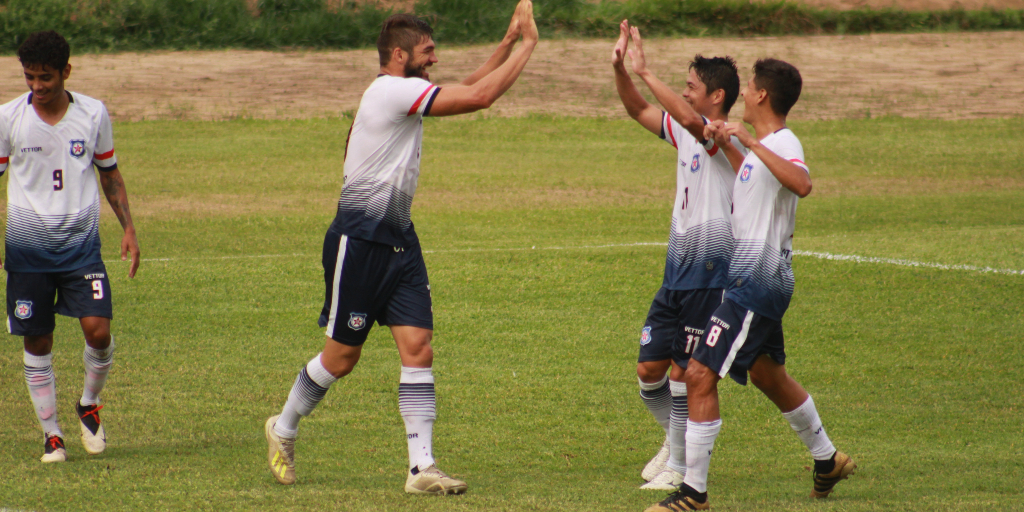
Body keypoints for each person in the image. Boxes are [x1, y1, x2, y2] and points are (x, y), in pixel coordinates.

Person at [264, 1, 539, 495]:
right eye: (427, 52)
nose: (434, 60)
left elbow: (466, 86)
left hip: (399, 240)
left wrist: (507, 41)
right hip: (360, 238)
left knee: (418, 347)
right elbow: (479, 98)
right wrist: (530, 46)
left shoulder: (402, 89)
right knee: (341, 358)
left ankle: (421, 468)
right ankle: (283, 426)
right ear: (398, 55)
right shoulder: (390, 90)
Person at [646, 59, 855, 512]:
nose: (743, 95)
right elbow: (756, 183)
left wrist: (749, 142)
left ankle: (693, 494)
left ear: (762, 96)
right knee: (767, 374)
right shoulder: (763, 147)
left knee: (700, 374)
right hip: (752, 279)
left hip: (756, 284)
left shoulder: (783, 141)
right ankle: (827, 460)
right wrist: (734, 147)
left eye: (750, 90)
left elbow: (801, 183)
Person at [613, 21, 745, 491]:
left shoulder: (721, 136)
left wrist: (646, 70)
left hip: (711, 276)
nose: (686, 93)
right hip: (676, 272)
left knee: (683, 372)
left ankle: (681, 466)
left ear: (717, 96)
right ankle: (678, 440)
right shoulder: (687, 133)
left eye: (691, 86)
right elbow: (637, 111)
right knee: (649, 370)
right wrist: (621, 70)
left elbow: (691, 122)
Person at [1, 30, 141, 463]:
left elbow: (109, 174)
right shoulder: (8, 119)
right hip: (27, 252)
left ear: (66, 71)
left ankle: (89, 403)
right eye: (29, 77)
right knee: (38, 341)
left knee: (98, 331)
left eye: (45, 78)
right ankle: (52, 434)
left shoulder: (93, 114)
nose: (37, 87)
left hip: (81, 249)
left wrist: (129, 228)